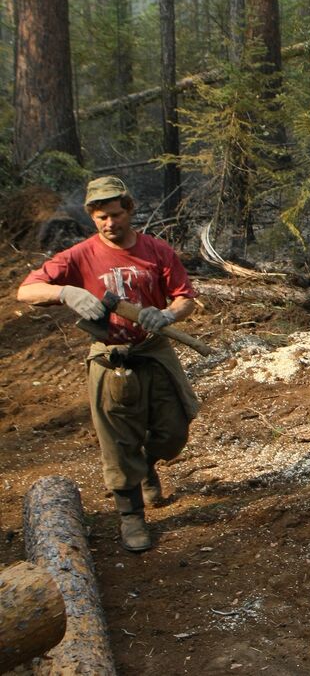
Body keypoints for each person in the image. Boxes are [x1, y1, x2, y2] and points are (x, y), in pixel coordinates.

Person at [17, 177, 200, 553]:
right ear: (92, 216)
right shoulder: (79, 255)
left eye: (115, 215)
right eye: (101, 217)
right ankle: (130, 514)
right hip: (109, 355)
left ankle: (146, 464)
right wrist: (64, 292)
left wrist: (165, 315)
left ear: (129, 209)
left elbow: (185, 299)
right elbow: (26, 290)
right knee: (117, 440)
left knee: (175, 429)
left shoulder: (156, 251)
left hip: (153, 351)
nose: (109, 224)